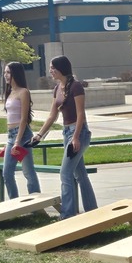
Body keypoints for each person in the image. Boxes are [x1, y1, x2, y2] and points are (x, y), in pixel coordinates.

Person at [31, 55, 97, 219]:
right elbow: (52, 116)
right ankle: (92, 211)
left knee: (65, 173)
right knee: (80, 175)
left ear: (61, 69)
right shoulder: (57, 89)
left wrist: (75, 138)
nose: (50, 71)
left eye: (53, 67)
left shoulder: (76, 87)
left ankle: (67, 214)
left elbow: (81, 114)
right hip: (66, 132)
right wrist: (39, 135)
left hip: (79, 132)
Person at [1, 62, 41, 200]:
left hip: (23, 135)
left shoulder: (23, 92)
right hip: (11, 135)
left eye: (8, 72)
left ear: (15, 74)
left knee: (28, 172)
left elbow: (24, 119)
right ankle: (14, 203)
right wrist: (10, 141)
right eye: (5, 72)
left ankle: (36, 203)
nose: (5, 75)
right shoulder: (9, 91)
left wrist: (18, 141)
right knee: (6, 173)